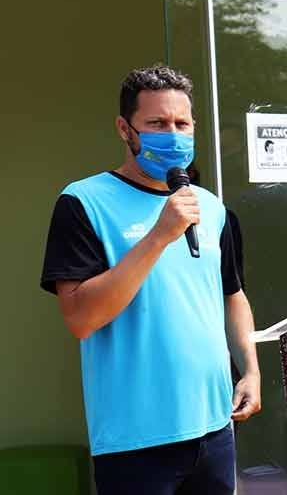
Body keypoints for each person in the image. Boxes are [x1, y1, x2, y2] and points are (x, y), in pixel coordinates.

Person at [39, 65, 262, 495]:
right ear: (125, 129)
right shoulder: (83, 203)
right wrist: (159, 236)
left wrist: (250, 370)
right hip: (134, 443)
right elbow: (81, 317)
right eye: (157, 123)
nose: (173, 134)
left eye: (182, 124)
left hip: (214, 430)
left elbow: (232, 296)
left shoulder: (212, 209)